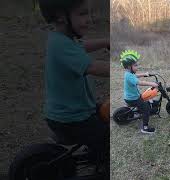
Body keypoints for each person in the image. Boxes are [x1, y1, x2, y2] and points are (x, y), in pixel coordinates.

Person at [38, 0, 109, 174]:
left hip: (73, 112)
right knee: (109, 137)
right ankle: (104, 169)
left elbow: (81, 47)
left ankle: (96, 153)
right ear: (61, 17)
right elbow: (92, 67)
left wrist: (106, 41)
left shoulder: (61, 39)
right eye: (83, 14)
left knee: (107, 114)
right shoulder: (61, 45)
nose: (90, 19)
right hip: (72, 119)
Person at [120, 50, 158, 134]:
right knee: (146, 109)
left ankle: (139, 110)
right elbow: (139, 82)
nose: (137, 67)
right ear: (129, 67)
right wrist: (152, 83)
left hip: (132, 96)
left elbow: (135, 76)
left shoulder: (128, 73)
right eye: (135, 65)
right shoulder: (129, 76)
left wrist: (144, 74)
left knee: (144, 98)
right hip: (133, 99)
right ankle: (145, 128)